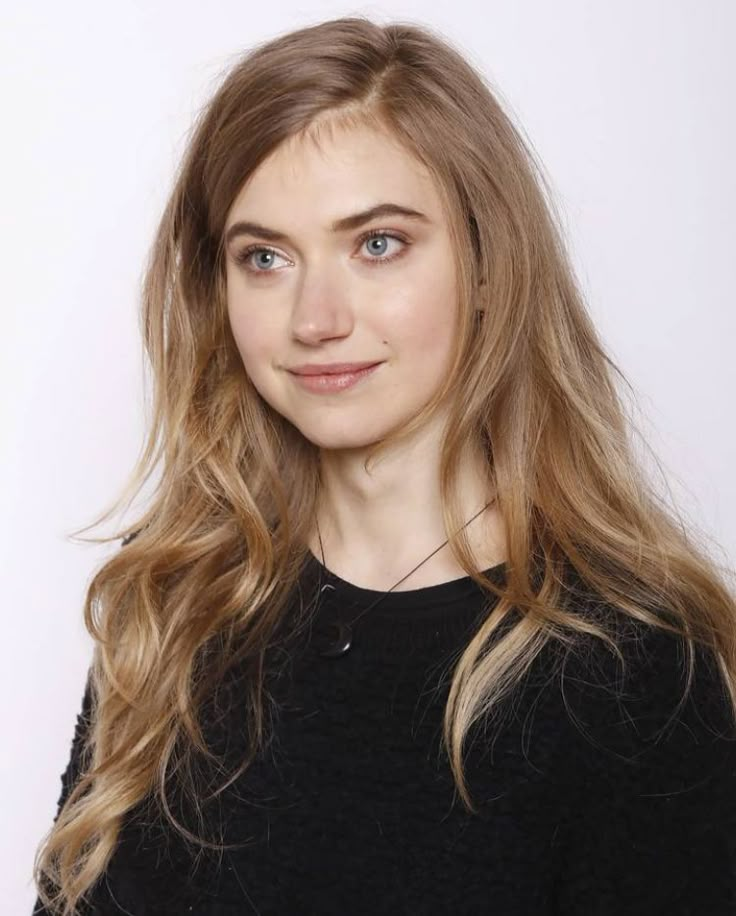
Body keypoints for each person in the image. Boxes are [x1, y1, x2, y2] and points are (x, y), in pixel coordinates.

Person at [33, 15, 736, 916]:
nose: (315, 318)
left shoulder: (631, 668)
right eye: (265, 258)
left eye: (377, 244)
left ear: (488, 261)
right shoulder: (172, 605)